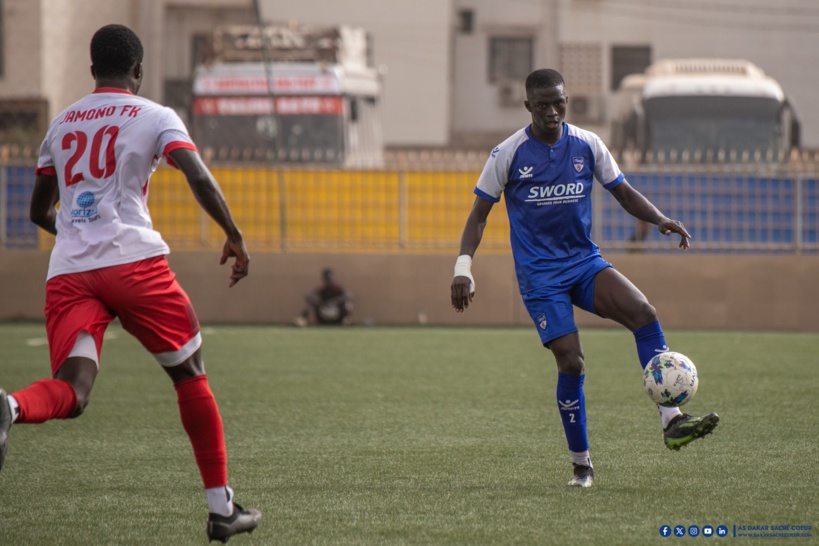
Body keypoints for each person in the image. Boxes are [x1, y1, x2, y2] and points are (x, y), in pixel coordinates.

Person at [0, 24, 261, 542]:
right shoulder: (155, 115)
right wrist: (233, 234)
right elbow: (197, 174)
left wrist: (78, 236)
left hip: (70, 272)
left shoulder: (61, 124)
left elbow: (38, 211)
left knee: (74, 391)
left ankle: (9, 407)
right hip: (134, 264)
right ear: (137, 71)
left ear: (92, 69)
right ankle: (221, 509)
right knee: (190, 375)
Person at [450, 69, 718, 488]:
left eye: (558, 102)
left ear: (566, 100)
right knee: (572, 361)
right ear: (528, 106)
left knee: (643, 313)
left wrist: (660, 219)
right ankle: (582, 465)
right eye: (542, 105)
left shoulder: (588, 144)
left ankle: (672, 420)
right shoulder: (508, 153)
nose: (552, 111)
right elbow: (479, 215)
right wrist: (463, 268)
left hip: (583, 263)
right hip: (541, 277)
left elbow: (623, 192)